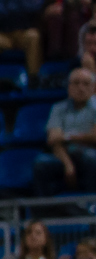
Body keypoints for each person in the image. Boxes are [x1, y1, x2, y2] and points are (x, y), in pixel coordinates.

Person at [37, 66, 96, 195]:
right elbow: (53, 139)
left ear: (93, 88)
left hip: (90, 154)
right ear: (69, 87)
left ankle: (91, 207)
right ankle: (46, 210)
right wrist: (68, 165)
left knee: (91, 159)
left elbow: (94, 137)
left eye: (86, 84)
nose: (80, 88)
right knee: (41, 164)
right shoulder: (58, 108)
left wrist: (67, 136)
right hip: (64, 154)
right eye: (76, 83)